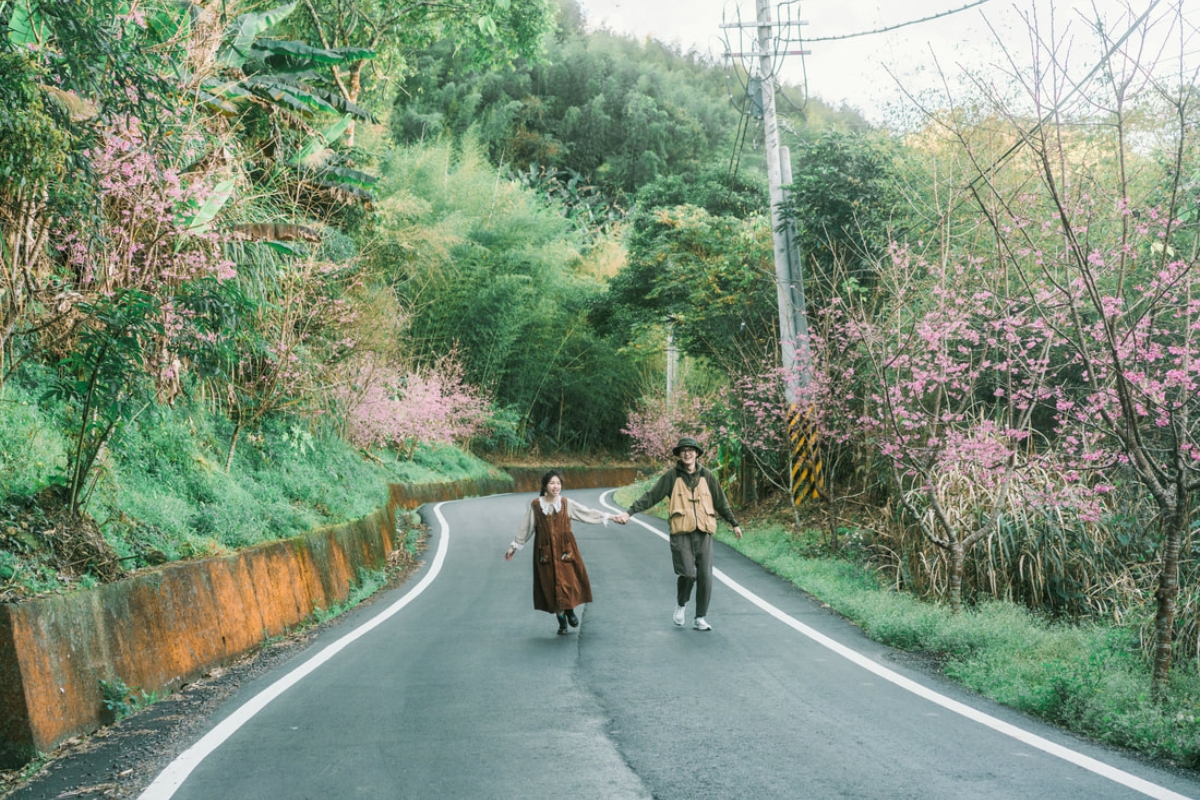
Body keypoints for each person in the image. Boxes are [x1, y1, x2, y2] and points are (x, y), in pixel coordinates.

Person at [614, 437, 742, 631]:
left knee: (706, 576)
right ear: (679, 454)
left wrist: (734, 523)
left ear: (697, 453)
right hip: (681, 533)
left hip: (704, 533)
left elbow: (720, 501)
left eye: (691, 450)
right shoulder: (672, 476)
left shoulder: (707, 476)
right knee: (688, 574)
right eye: (683, 450)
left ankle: (700, 617)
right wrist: (629, 512)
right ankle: (681, 604)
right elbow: (651, 496)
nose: (687, 453)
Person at [505, 469, 625, 635]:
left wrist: (610, 517)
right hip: (545, 552)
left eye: (558, 483)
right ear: (545, 486)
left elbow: (587, 513)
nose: (556, 486)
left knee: (568, 581)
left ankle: (569, 611)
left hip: (566, 551)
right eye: (552, 483)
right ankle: (562, 621)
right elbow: (526, 528)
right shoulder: (536, 506)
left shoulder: (566, 504)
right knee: (550, 585)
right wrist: (514, 547)